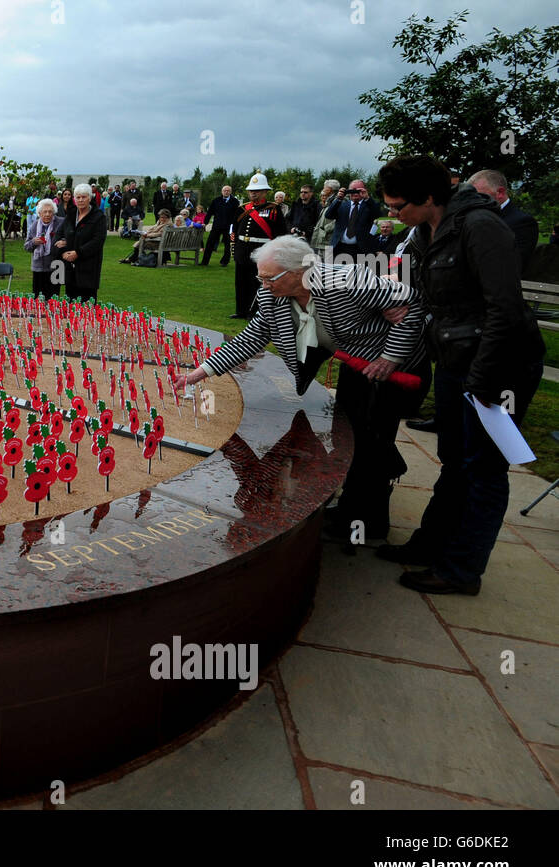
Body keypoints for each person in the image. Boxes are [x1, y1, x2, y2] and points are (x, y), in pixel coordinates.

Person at [179, 234, 427, 542]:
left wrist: (391, 357)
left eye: (270, 277)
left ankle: (369, 522)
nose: (263, 284)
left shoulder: (345, 280)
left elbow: (413, 305)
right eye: (260, 277)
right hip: (355, 364)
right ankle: (350, 507)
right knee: (347, 435)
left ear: (300, 271)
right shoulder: (273, 295)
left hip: (395, 370)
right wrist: (201, 373)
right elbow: (252, 338)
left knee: (374, 441)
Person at [374, 155, 545, 595]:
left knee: (484, 469)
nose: (393, 215)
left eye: (398, 206)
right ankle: (430, 545)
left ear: (428, 197)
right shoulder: (427, 230)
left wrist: (482, 381)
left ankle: (461, 570)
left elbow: (504, 309)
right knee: (454, 460)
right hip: (454, 361)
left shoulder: (481, 226)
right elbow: (420, 289)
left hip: (498, 365)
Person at [230, 173, 287, 317]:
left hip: (262, 251)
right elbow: (234, 230)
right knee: (241, 281)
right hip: (243, 249)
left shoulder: (273, 209)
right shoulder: (243, 209)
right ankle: (241, 311)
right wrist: (235, 249)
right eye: (251, 191)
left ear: (265, 192)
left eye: (257, 190)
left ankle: (255, 312)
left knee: (256, 282)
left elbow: (280, 233)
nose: (253, 193)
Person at [467, 169, 538, 272]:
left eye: (479, 196)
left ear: (500, 192)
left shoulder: (522, 222)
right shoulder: (471, 218)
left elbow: (512, 263)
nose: (473, 201)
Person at [54, 183, 107, 300]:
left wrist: (77, 253)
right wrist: (63, 251)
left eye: (84, 197)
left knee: (86, 306)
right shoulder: (71, 214)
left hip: (88, 269)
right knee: (70, 305)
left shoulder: (98, 217)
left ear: (90, 198)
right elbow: (59, 234)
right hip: (70, 269)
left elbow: (98, 241)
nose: (81, 200)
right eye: (78, 197)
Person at [325, 179, 381, 256]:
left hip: (361, 249)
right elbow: (328, 215)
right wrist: (338, 199)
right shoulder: (342, 204)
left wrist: (367, 198)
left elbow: (378, 215)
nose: (356, 192)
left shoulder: (369, 205)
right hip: (339, 247)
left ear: (365, 190)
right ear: (348, 191)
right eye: (353, 190)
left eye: (359, 190)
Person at [24, 198, 65, 298]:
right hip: (38, 267)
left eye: (50, 212)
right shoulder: (34, 225)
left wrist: (65, 242)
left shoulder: (61, 222)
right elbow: (26, 246)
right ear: (39, 213)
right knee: (38, 297)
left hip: (56, 266)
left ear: (54, 212)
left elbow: (70, 238)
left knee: (54, 298)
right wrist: (34, 242)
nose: (47, 214)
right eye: (45, 212)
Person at [200, 185, 239, 265]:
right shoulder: (216, 200)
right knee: (209, 244)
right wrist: (205, 222)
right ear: (222, 191)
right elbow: (210, 212)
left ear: (230, 192)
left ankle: (225, 261)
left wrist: (236, 225)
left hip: (228, 226)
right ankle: (205, 262)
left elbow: (237, 215)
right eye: (225, 190)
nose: (226, 192)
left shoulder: (235, 201)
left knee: (228, 245)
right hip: (216, 226)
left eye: (228, 190)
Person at [310, 180, 341, 253]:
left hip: (328, 239)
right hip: (323, 239)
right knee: (321, 262)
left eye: (325, 187)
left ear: (329, 189)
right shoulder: (328, 201)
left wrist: (326, 229)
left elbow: (341, 219)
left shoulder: (337, 201)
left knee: (327, 263)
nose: (323, 189)